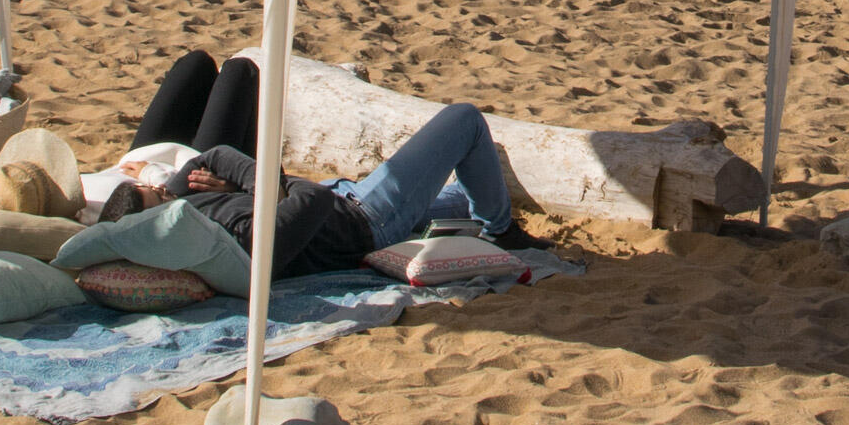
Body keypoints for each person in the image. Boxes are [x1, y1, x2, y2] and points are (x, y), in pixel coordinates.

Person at [109, 50, 545, 278]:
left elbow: (216, 161)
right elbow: (306, 197)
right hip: (363, 217)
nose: (170, 189)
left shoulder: (189, 216)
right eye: (160, 195)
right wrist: (259, 190)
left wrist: (254, 190)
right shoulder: (237, 239)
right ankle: (499, 232)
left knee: (461, 197)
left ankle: (487, 213)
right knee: (464, 120)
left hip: (347, 199)